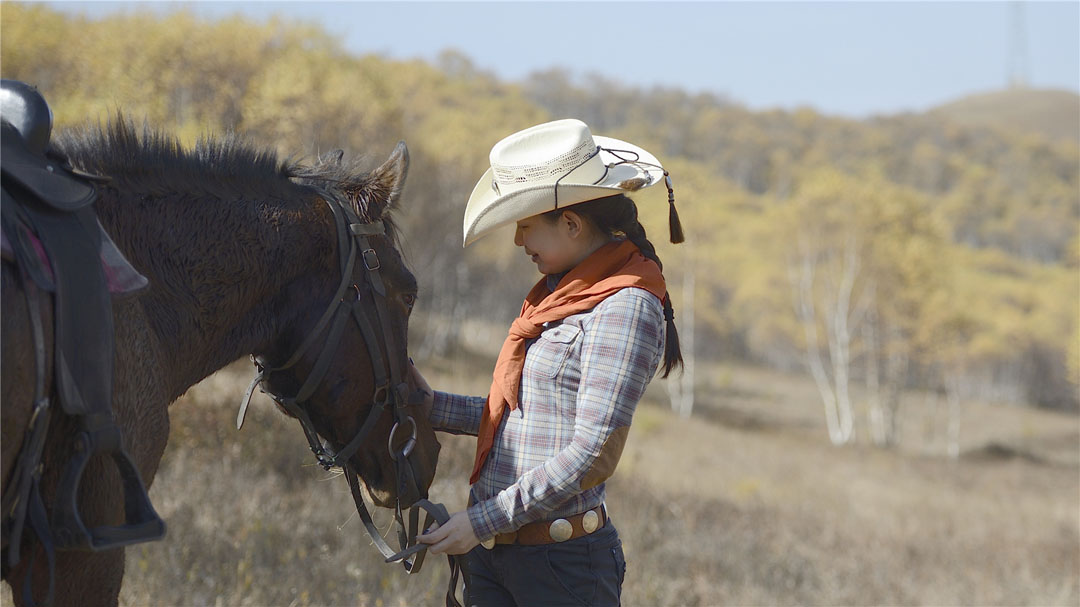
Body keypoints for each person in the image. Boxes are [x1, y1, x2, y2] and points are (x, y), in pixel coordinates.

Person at [413, 118, 684, 606]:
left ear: (572, 224)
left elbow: (589, 455)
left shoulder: (624, 308)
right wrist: (429, 405)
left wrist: (479, 522)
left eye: (525, 225)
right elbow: (528, 422)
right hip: (498, 557)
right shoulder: (558, 299)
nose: (519, 242)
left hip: (561, 571)